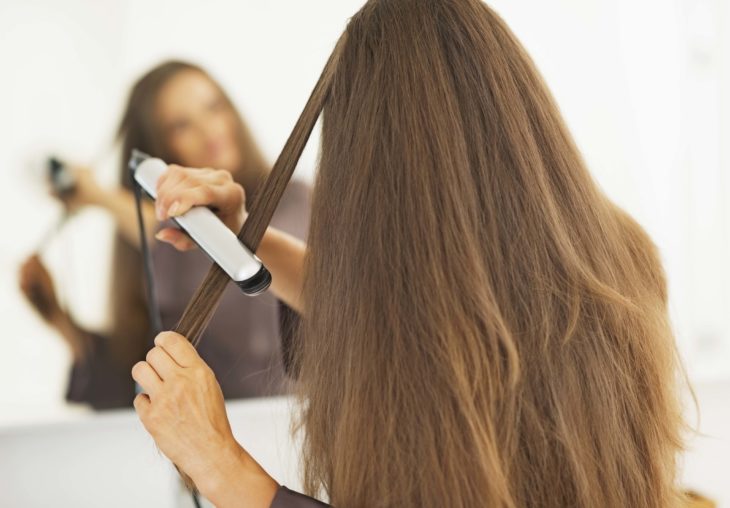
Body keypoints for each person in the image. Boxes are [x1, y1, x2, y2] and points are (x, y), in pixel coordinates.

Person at [130, 1, 685, 507]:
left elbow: (415, 328)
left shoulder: (454, 354)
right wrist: (248, 235)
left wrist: (221, 464)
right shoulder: (618, 256)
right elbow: (401, 314)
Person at [18, 61, 309, 409]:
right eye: (181, 125)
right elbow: (135, 382)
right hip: (214, 443)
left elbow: (232, 262)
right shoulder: (156, 253)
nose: (209, 130)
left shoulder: (296, 201)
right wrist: (60, 322)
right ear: (159, 149)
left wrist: (99, 196)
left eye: (213, 107)